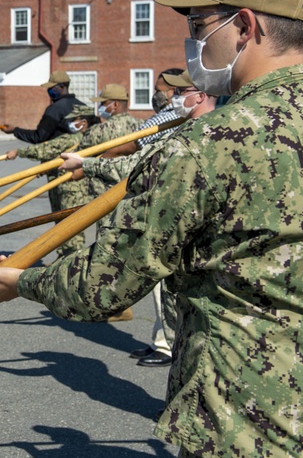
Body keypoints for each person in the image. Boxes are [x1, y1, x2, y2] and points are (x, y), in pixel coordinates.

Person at [0, 0, 303, 458]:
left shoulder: (209, 146)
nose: (191, 42)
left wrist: (21, 281)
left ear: (244, 26)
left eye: (199, 25)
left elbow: (102, 286)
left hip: (248, 443)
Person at [62, 72, 218, 369]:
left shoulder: (195, 132)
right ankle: (166, 344)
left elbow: (138, 161)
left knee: (184, 305)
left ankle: (171, 349)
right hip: (167, 225)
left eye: (179, 91)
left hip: (185, 232)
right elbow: (142, 159)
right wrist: (87, 163)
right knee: (166, 295)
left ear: (200, 94)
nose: (172, 97)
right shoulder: (178, 123)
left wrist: (89, 164)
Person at [6, 107, 98, 256]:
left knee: (68, 227)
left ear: (84, 122)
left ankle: (70, 260)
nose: (70, 123)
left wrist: (19, 152)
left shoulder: (72, 138)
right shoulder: (93, 137)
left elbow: (45, 149)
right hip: (81, 188)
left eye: (73, 120)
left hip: (70, 188)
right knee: (71, 226)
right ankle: (65, 259)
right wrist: (47, 167)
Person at [5, 70, 84, 143]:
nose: (49, 90)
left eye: (52, 88)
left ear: (62, 86)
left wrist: (15, 130)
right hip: (81, 156)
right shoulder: (84, 107)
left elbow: (39, 137)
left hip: (59, 156)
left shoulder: (55, 109)